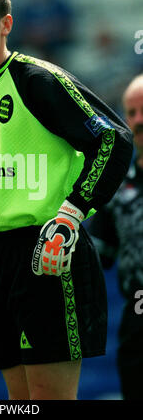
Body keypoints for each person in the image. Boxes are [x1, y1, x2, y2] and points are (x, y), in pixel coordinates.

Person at [0, 0, 133, 400]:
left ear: (5, 24)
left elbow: (114, 140)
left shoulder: (36, 80)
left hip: (49, 253)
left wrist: (72, 213)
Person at [88, 74, 143, 400]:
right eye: (131, 113)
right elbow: (99, 256)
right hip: (137, 317)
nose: (139, 121)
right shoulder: (116, 184)